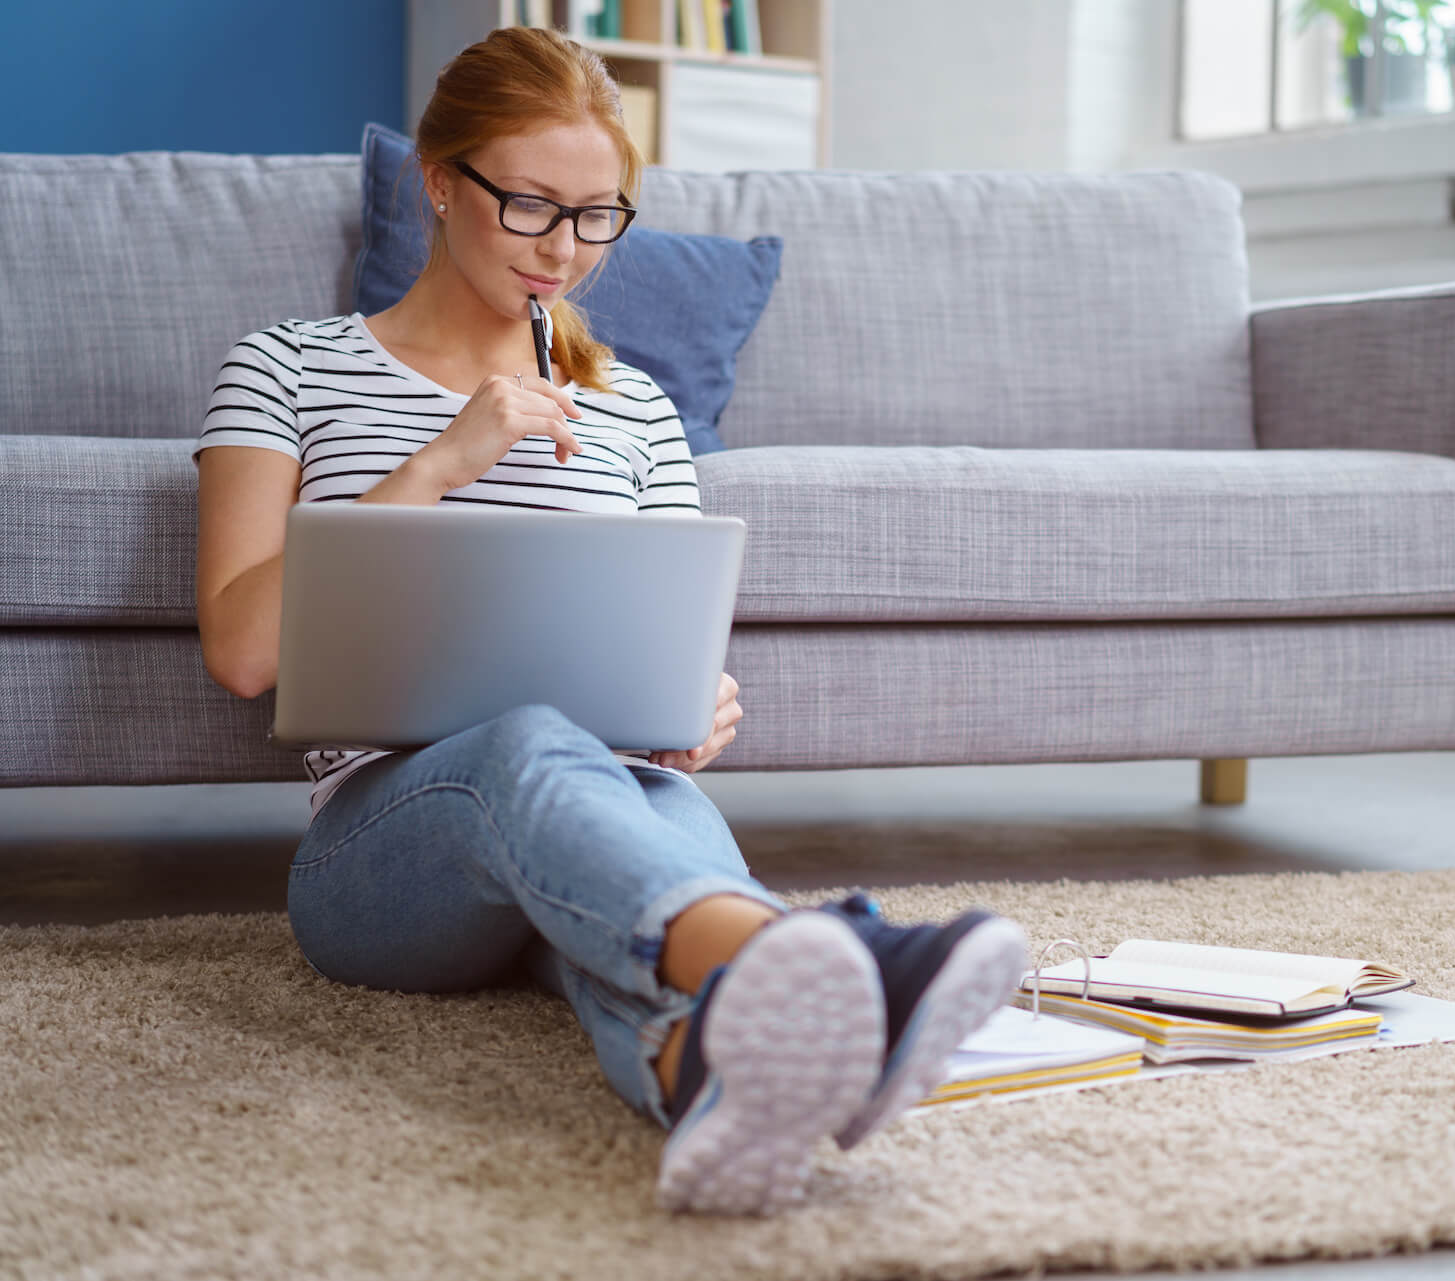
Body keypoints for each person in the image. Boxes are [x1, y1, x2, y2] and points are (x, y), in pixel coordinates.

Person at [191, 25, 1029, 1216]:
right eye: (532, 208)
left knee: (658, 806)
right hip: (377, 862)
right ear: (439, 180)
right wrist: (439, 463)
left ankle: (707, 1075)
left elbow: (667, 639)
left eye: (598, 218)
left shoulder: (634, 408)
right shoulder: (285, 368)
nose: (566, 252)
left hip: (589, 820)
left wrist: (687, 712)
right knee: (527, 743)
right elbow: (241, 651)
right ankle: (818, 959)